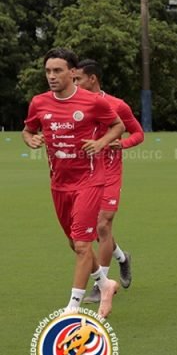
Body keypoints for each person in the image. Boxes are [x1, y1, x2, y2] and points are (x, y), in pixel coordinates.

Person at [22, 48, 125, 318]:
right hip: (59, 183)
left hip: (89, 181)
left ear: (72, 72)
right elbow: (28, 129)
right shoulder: (39, 103)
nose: (52, 76)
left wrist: (101, 142)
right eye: (48, 71)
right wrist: (30, 139)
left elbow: (118, 125)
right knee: (74, 243)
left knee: (81, 245)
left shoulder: (93, 102)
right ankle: (105, 284)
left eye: (57, 71)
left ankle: (73, 308)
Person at [71, 59, 143, 304]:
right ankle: (123, 258)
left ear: (92, 78)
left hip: (110, 172)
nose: (75, 83)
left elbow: (138, 133)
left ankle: (100, 285)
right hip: (84, 175)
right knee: (88, 232)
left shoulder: (117, 105)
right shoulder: (73, 105)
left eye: (78, 78)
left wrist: (119, 143)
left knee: (102, 226)